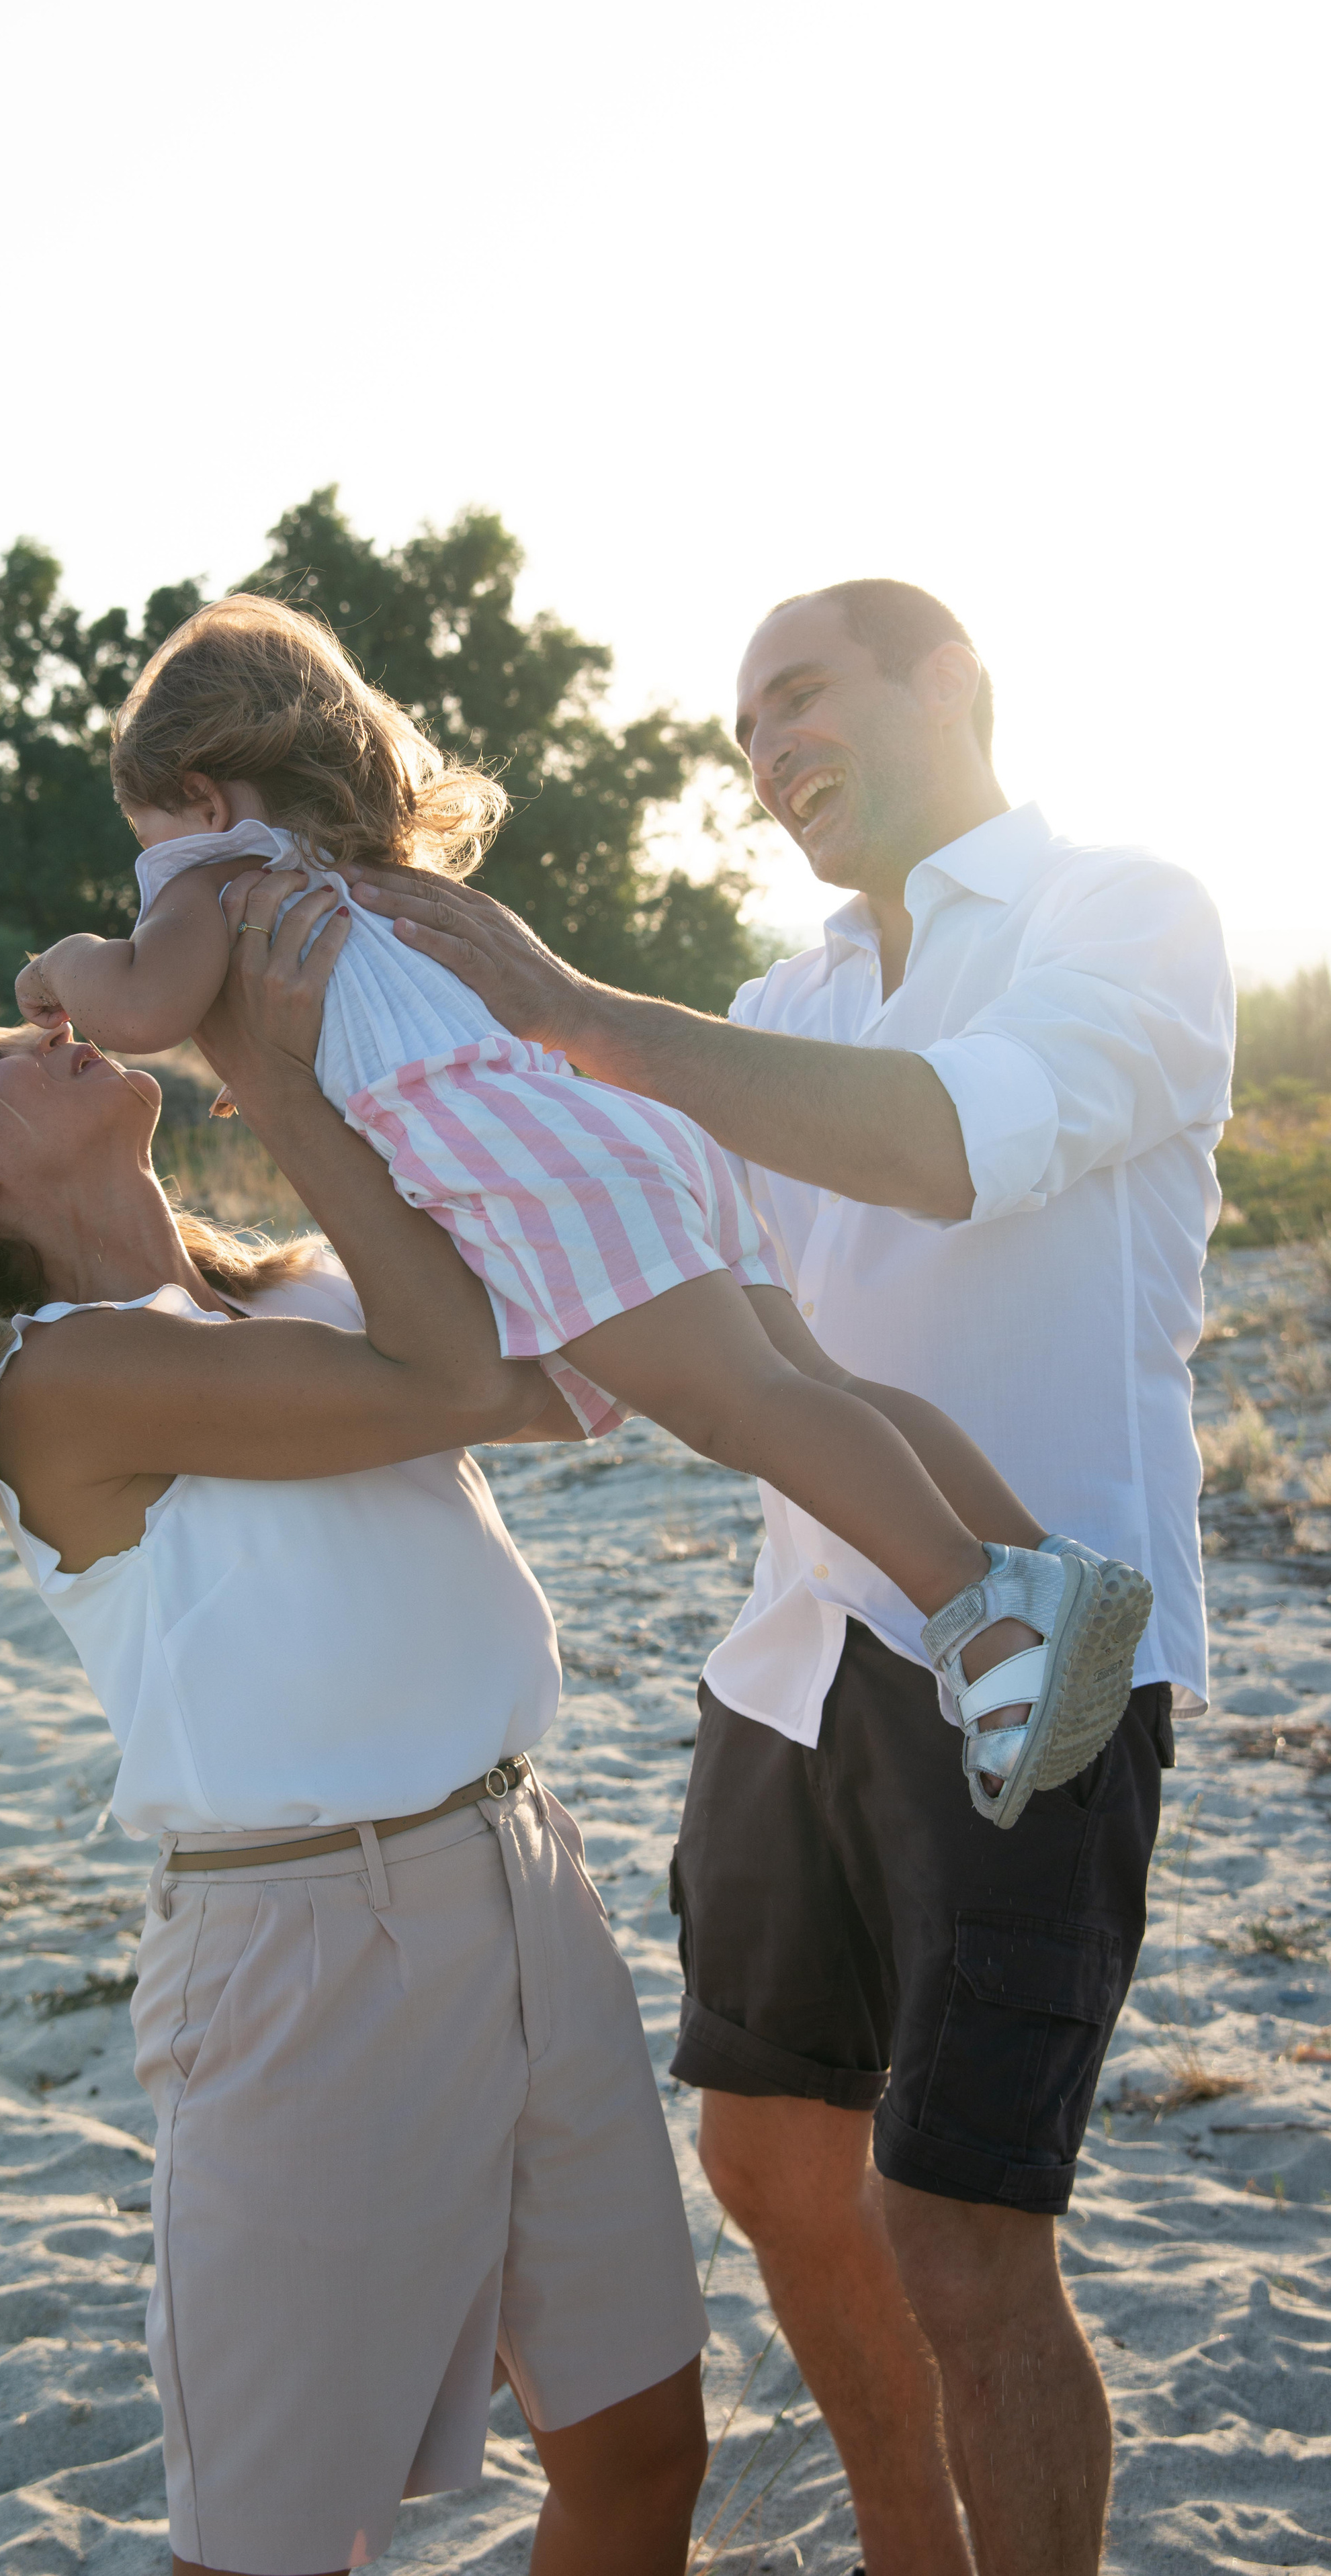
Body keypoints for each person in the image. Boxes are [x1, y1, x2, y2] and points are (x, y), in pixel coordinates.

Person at [339, 578, 1235, 2576]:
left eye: (802, 697)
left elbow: (945, 1145)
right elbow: (656, 1279)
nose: (767, 755)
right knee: (766, 2157)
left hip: (1044, 1651)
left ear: (956, 683)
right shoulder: (781, 1000)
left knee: (965, 2229)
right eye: (746, 726)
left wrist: (576, 1008)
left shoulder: (1130, 913)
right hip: (795, 1650)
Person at [0, 870, 713, 2576]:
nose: (46, 1022)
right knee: (284, 2547)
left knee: (645, 2454)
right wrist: (274, 1069)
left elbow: (558, 1386)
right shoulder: (59, 1387)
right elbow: (457, 1382)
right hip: (309, 1952)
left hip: (526, 1880)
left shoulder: (287, 1289)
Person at [12, 592, 1152, 1827]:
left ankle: (980, 1625)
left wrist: (64, 966)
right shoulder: (360, 885)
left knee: (749, 1410)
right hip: (615, 1134)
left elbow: (141, 1005)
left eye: (145, 830)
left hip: (536, 1178)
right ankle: (1046, 1571)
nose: (148, 866)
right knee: (813, 1380)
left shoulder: (212, 875)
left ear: (198, 792)